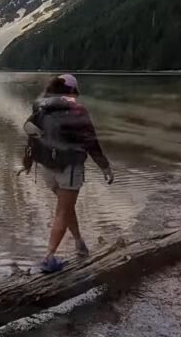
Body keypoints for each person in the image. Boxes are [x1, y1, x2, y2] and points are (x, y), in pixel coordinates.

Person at [19, 74, 114, 273]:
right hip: (69, 168)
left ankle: (79, 243)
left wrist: (27, 162)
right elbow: (91, 141)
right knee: (63, 211)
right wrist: (104, 166)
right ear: (71, 92)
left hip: (47, 168)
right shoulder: (78, 111)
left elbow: (32, 138)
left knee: (65, 207)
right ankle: (49, 257)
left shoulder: (40, 107)